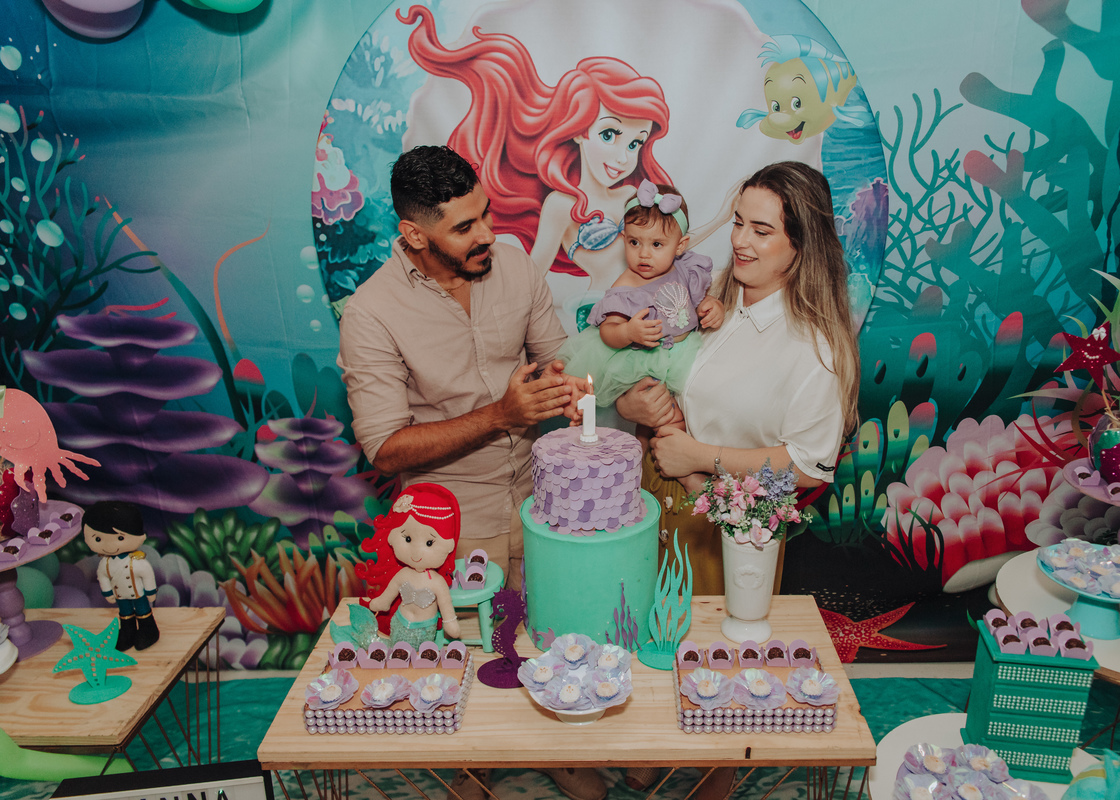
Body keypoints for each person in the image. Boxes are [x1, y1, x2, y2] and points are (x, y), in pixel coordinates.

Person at [336, 145, 605, 800]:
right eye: (464, 227)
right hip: (444, 516)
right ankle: (469, 767)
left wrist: (569, 391)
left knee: (541, 631)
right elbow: (384, 447)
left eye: (485, 213)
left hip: (538, 496)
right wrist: (499, 415)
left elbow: (560, 359)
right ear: (414, 234)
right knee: (469, 649)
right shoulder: (371, 313)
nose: (487, 234)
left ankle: (553, 745)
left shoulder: (513, 266)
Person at [617, 161, 860, 798]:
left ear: (801, 245)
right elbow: (647, 375)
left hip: (732, 528)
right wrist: (636, 409)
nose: (741, 241)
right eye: (738, 224)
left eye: (762, 230)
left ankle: (720, 772)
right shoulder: (708, 299)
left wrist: (701, 454)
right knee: (657, 640)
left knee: (722, 665)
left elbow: (810, 463)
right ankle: (654, 743)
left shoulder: (813, 344)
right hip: (661, 502)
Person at [399, 5, 731, 296]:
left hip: (653, 312)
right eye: (609, 134)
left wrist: (723, 217)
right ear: (579, 132)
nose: (622, 157)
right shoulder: (561, 205)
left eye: (634, 143)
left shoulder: (636, 195)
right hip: (604, 318)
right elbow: (533, 275)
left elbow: (673, 242)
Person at [558, 179, 725, 421]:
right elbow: (608, 331)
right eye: (634, 242)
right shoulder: (626, 286)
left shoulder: (685, 268)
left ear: (680, 246)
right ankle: (647, 448)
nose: (644, 254)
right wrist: (627, 332)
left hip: (686, 352)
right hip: (645, 360)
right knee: (656, 415)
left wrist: (712, 306)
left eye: (657, 244)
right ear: (624, 237)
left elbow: (696, 301)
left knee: (696, 406)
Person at [359, 483, 462, 645]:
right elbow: (388, 596)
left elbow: (446, 606)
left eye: (429, 543)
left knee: (422, 656)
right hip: (399, 622)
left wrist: (450, 622)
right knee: (398, 653)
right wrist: (379, 603)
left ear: (448, 545)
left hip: (425, 629)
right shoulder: (403, 574)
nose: (416, 553)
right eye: (408, 539)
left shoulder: (437, 582)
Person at [83, 501, 159, 652]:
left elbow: (147, 575)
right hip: (120, 595)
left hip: (138, 593)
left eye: (119, 538)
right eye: (98, 539)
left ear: (140, 537)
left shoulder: (136, 561)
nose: (109, 546)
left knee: (143, 611)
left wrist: (151, 592)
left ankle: (148, 631)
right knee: (125, 614)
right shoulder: (105, 564)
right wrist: (108, 592)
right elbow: (103, 577)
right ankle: (127, 633)